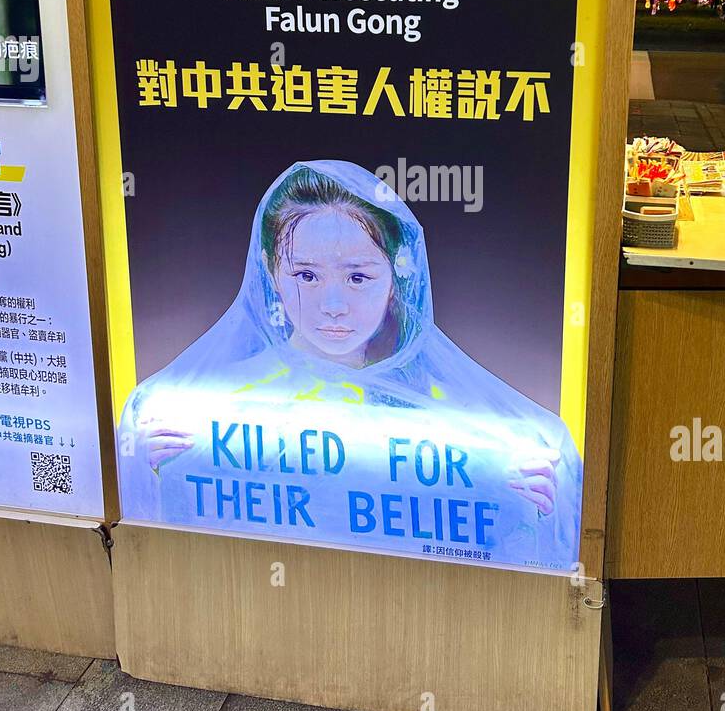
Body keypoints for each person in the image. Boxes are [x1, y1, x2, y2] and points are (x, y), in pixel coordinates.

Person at [119, 159, 583, 572]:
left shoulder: (469, 425)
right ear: (270, 272)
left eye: (359, 277)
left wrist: (533, 509)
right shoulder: (207, 408)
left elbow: (504, 557)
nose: (334, 305)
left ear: (397, 278)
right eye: (306, 276)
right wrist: (151, 473)